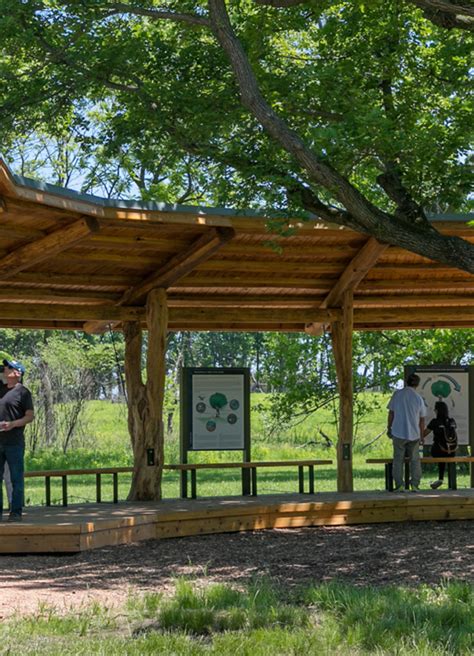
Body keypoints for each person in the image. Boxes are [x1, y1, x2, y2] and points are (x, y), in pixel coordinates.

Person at [0, 359, 34, 521]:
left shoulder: (23, 392)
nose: (5, 368)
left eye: (8, 367)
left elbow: (30, 416)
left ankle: (16, 512)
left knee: (16, 478)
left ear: (17, 373)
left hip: (14, 442)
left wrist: (13, 424)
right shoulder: (0, 388)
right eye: (5, 367)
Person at [387, 373, 426, 491]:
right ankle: (415, 484)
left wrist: (389, 428)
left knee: (398, 460)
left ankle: (399, 485)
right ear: (417, 384)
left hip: (398, 432)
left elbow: (391, 413)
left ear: (406, 381)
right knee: (415, 460)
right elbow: (422, 419)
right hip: (414, 434)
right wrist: (422, 435)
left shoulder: (397, 395)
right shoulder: (418, 398)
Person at [424, 401, 458, 489]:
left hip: (438, 451)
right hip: (452, 452)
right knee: (443, 451)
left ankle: (440, 479)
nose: (434, 410)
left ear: (438, 410)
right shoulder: (452, 421)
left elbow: (424, 433)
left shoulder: (435, 421)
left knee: (435, 448)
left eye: (435, 409)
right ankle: (441, 478)